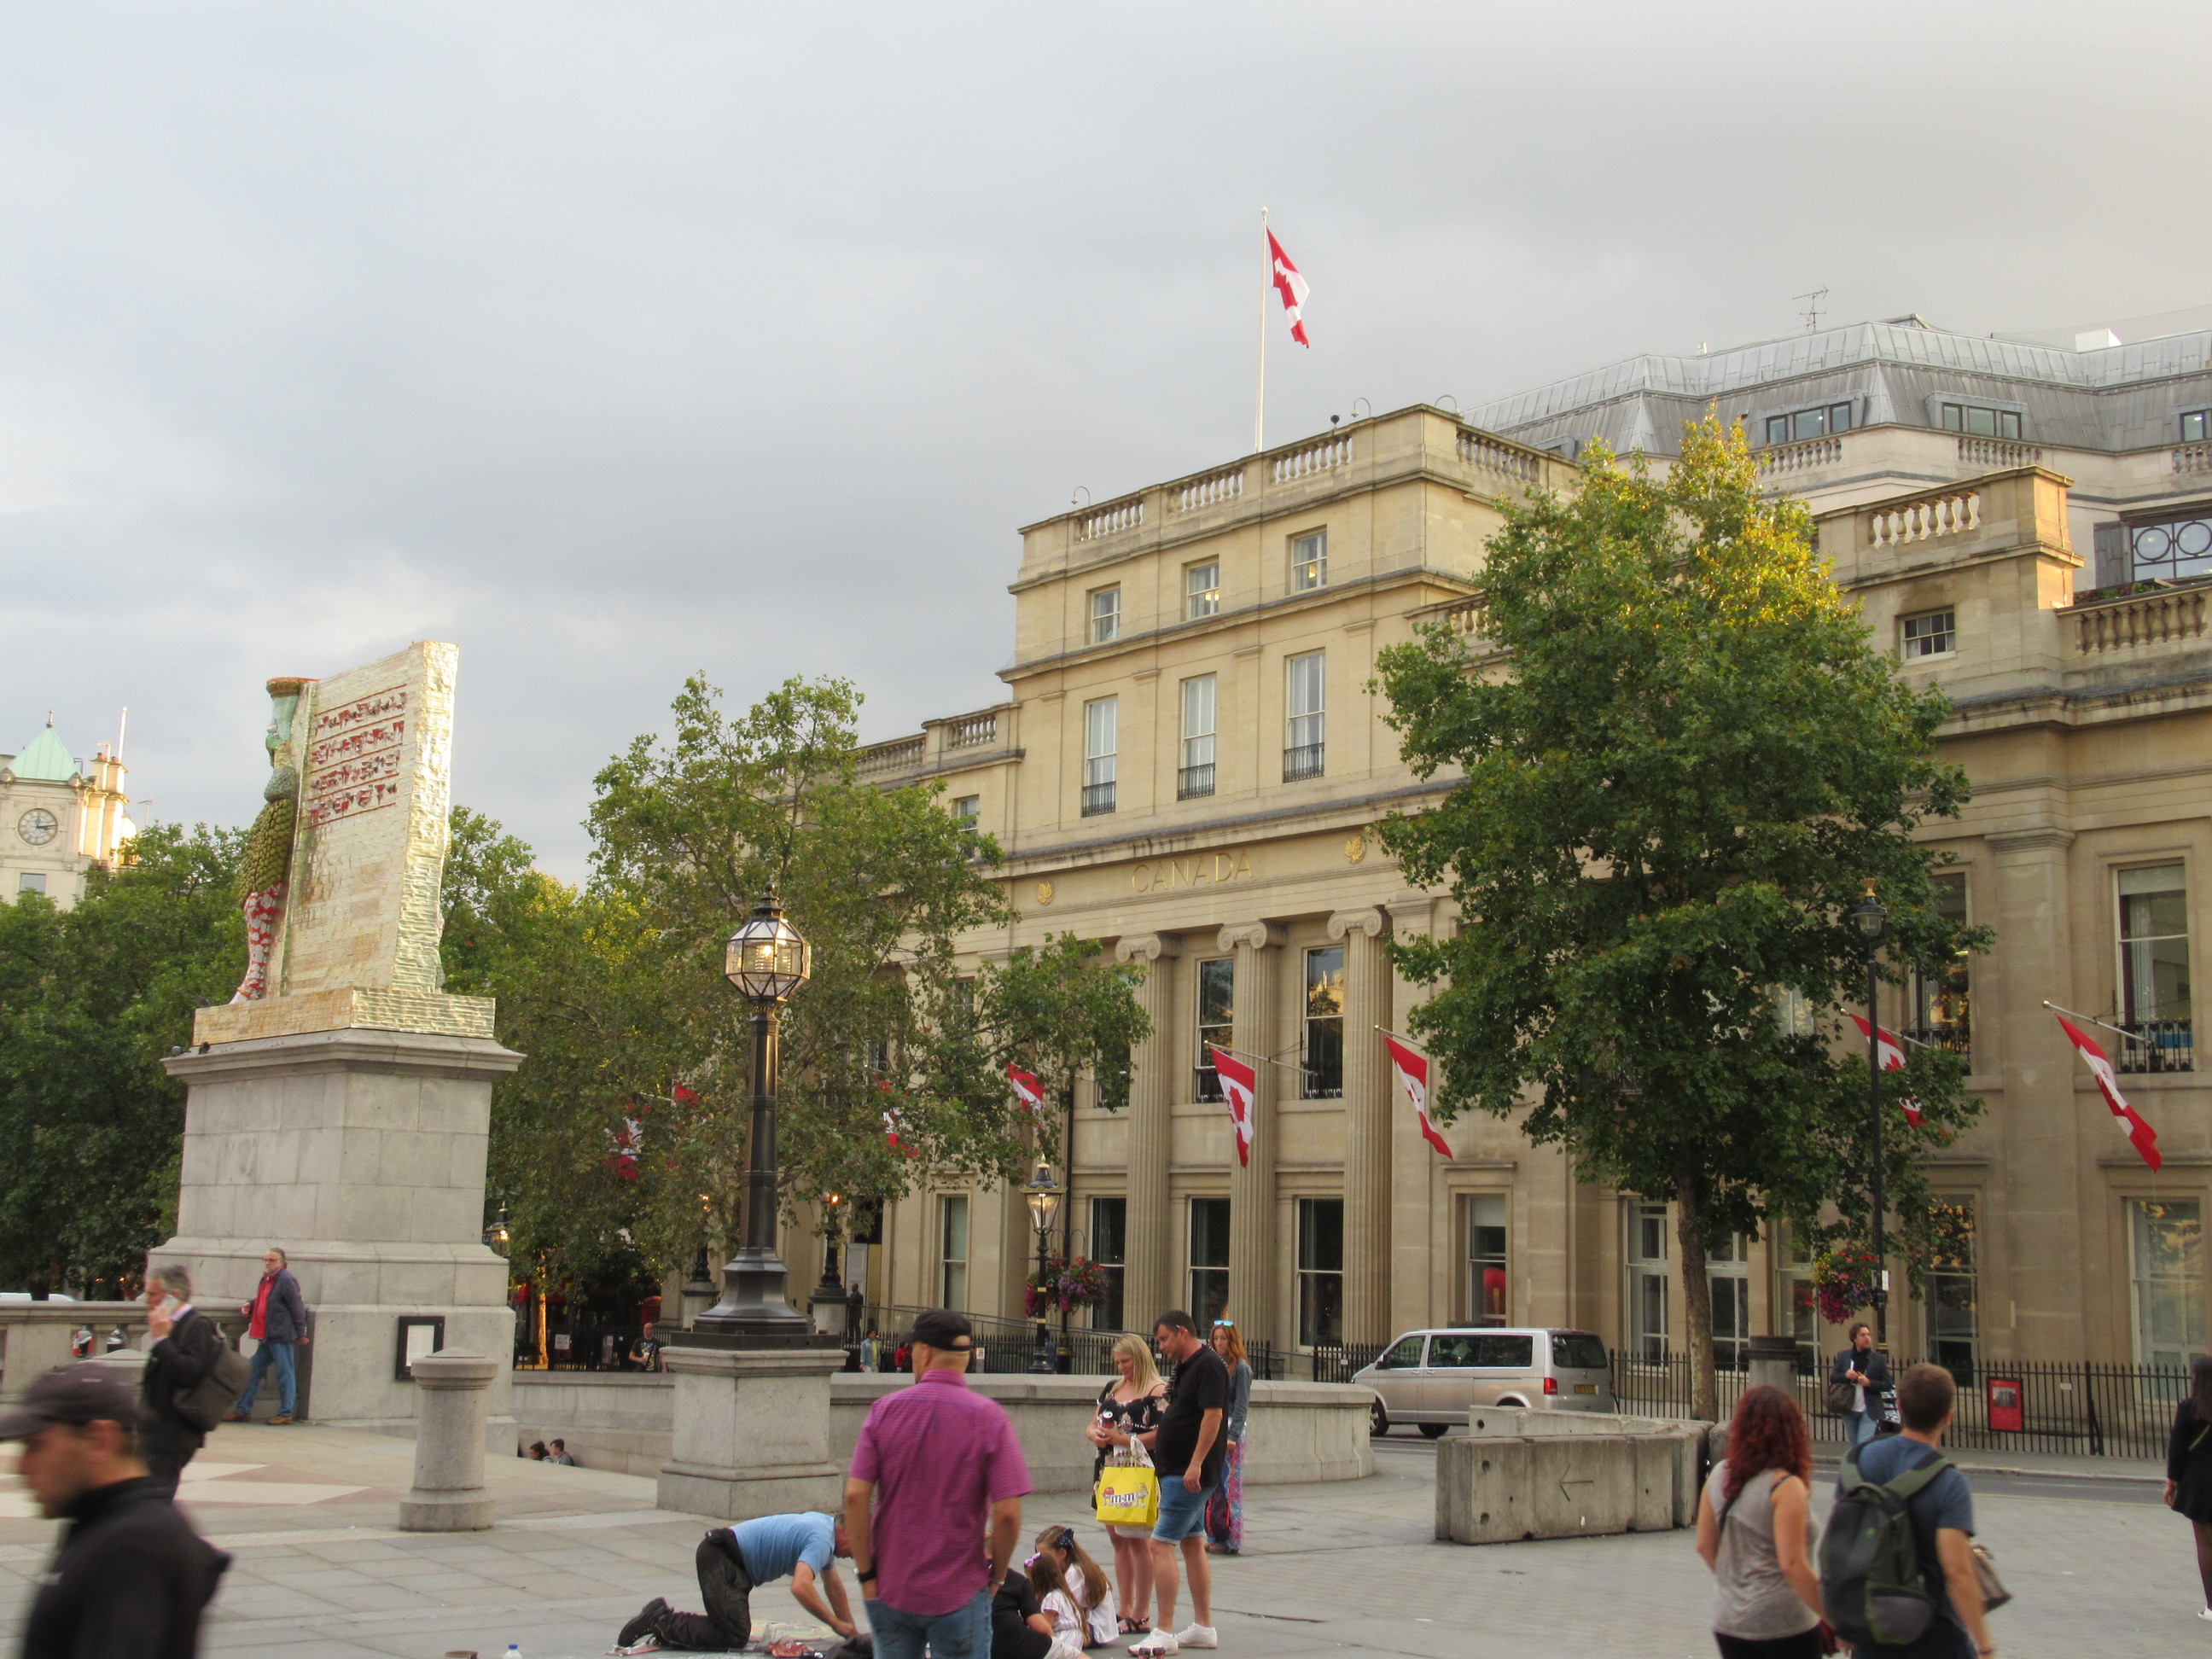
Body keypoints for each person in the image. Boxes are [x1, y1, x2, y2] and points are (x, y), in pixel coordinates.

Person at [0, 1362, 230, 1656]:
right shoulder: (108, 1526)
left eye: (37, 1445)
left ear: (100, 1440)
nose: (22, 1466)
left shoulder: (132, 1546)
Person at [845, 1307, 1031, 1659]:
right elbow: (1007, 1513)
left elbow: (856, 1496)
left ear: (925, 1352)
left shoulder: (884, 1411)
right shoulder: (989, 1418)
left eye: (912, 1348)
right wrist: (997, 1578)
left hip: (892, 1587)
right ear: (966, 1357)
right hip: (960, 1591)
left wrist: (867, 1576)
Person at [1831, 1362, 1994, 1659]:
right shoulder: (1949, 1481)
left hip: (1873, 1628)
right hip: (1936, 1635)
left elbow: (1842, 1545)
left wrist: (1843, 1621)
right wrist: (1985, 1645)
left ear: (1900, 1407)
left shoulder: (1857, 1461)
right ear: (1948, 1417)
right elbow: (1957, 1572)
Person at [1697, 1382, 1825, 1657]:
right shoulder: (1785, 1486)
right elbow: (1792, 1564)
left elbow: (1704, 1545)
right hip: (1784, 1624)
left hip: (1729, 1621)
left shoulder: (1720, 1475)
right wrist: (1831, 1618)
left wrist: (1739, 1585)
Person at [618, 1511, 858, 1652]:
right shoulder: (822, 1539)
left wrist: (852, 1635)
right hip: (723, 1558)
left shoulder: (823, 1529)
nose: (855, 1556)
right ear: (848, 1531)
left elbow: (834, 1587)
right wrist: (835, 1624)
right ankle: (660, 1620)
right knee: (732, 1635)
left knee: (731, 1629)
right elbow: (800, 1587)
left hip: (727, 1559)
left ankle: (663, 1620)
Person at [1129, 1311, 1226, 1657]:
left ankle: (1164, 1630)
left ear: (1182, 1332)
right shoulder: (1187, 1366)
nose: (1161, 1347)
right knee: (1192, 1542)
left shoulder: (1208, 1365)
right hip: (1179, 1469)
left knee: (1160, 1545)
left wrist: (1195, 1464)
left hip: (1187, 1472)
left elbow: (1213, 1416)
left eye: (1164, 1339)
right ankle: (1203, 1626)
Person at [1087, 1331, 1168, 1634]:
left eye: (1126, 1361)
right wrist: (1094, 1434)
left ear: (1140, 1358)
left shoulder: (1158, 1391)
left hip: (1138, 1471)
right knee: (1118, 1539)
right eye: (1118, 1362)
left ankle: (1141, 1612)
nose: (1121, 1367)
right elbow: (1093, 1423)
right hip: (1109, 1469)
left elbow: (1162, 1435)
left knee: (1139, 1541)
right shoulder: (1113, 1387)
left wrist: (1121, 1440)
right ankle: (1123, 1607)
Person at [138, 1265, 224, 1499]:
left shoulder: (197, 1325)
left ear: (172, 1296)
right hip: (156, 1431)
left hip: (173, 1435)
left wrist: (162, 1340)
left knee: (155, 1502)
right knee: (147, 1500)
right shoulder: (172, 1324)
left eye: (152, 1294)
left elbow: (189, 1373)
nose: (147, 1301)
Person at [226, 1246, 307, 1425]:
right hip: (268, 1335)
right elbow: (267, 1300)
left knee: (285, 1373)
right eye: (265, 1260)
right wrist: (251, 1304)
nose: (267, 1263)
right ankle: (243, 1410)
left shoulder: (286, 1279)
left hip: (281, 1335)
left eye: (272, 1260)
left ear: (282, 1262)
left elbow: (297, 1306)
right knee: (252, 1370)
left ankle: (286, 1413)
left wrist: (301, 1332)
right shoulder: (267, 1278)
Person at [2164, 1353, 2212, 1621]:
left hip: (2199, 1483)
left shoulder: (2189, 1408)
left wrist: (2172, 1481)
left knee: (2205, 1544)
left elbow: (2178, 1448)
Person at [1203, 1319, 1252, 1556]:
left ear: (1232, 1341)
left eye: (1223, 1338)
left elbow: (1241, 1405)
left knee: (1230, 1486)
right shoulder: (1214, 1364)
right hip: (1216, 1426)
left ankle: (1231, 1538)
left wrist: (1232, 1436)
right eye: (1216, 1338)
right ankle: (1215, 1533)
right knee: (1214, 1484)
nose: (1219, 1343)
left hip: (1232, 1429)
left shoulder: (1240, 1368)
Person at [1033, 1522, 1119, 1645]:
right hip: (1084, 1623)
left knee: (1042, 1634)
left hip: (1095, 1630)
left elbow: (1063, 1609)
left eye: (1045, 1557)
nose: (1040, 1561)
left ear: (1062, 1553)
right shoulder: (1064, 1569)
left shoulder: (1075, 1572)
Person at [1830, 1323, 1891, 1449]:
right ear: (1854, 1338)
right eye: (1863, 1335)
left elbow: (1888, 1384)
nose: (1867, 1338)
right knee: (1854, 1446)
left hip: (1869, 1409)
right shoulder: (1844, 1356)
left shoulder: (1878, 1359)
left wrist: (1869, 1383)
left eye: (1868, 1335)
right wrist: (1845, 1376)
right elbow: (1833, 1378)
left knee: (1862, 1445)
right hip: (1849, 1408)